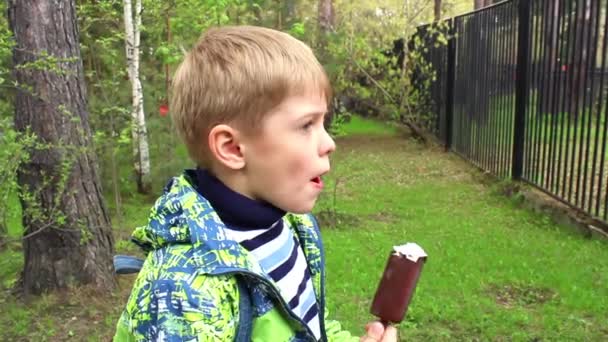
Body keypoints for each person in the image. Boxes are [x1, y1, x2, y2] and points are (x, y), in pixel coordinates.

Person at [113, 25, 397, 342]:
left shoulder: (290, 227)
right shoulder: (181, 293)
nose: (328, 142)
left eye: (322, 123)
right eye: (306, 125)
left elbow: (308, 325)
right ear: (233, 148)